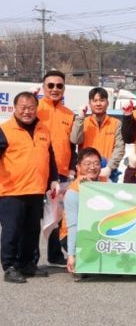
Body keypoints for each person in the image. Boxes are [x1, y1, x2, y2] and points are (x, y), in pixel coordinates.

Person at [0, 92, 59, 283]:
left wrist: (54, 179)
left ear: (36, 109)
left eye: (31, 108)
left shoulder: (43, 129)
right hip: (11, 191)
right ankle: (10, 266)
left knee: (32, 232)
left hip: (36, 190)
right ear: (15, 108)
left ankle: (27, 264)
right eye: (23, 108)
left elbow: (50, 158)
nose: (27, 111)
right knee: (12, 231)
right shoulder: (5, 130)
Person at [37, 70, 75, 267]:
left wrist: (72, 168)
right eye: (50, 85)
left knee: (56, 216)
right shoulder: (34, 109)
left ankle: (54, 255)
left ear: (64, 89)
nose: (54, 89)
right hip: (37, 171)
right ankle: (30, 259)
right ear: (43, 87)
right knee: (33, 216)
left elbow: (72, 145)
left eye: (59, 86)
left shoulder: (69, 114)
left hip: (61, 172)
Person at [62, 147, 106, 273]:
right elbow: (73, 226)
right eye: (88, 164)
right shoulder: (73, 192)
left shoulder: (106, 184)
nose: (92, 167)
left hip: (97, 231)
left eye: (96, 163)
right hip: (72, 233)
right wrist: (71, 256)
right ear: (78, 167)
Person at [70, 87, 125, 181]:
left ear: (107, 103)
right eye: (95, 100)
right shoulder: (83, 122)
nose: (98, 104)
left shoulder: (116, 123)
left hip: (107, 173)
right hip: (85, 173)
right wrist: (80, 118)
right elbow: (75, 140)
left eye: (102, 100)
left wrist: (109, 168)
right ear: (89, 103)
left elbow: (119, 148)